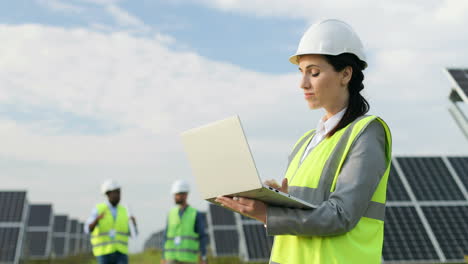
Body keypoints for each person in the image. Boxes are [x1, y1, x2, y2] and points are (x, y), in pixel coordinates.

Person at [215, 19, 392, 264]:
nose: (303, 83)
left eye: (314, 72)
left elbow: (341, 215)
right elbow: (309, 204)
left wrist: (268, 214)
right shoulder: (305, 142)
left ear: (345, 74)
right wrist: (277, 196)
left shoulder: (367, 133)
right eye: (301, 72)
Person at [85, 179, 138, 264]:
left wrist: (133, 224)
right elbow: (87, 229)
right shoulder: (99, 209)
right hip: (104, 253)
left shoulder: (124, 211)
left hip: (121, 252)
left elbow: (133, 234)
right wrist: (96, 220)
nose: (118, 195)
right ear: (108, 193)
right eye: (116, 192)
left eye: (119, 192)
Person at [161, 180, 208, 264]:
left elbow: (202, 237)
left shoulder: (195, 214)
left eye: (177, 194)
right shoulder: (171, 213)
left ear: (185, 195)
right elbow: (165, 237)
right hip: (171, 258)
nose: (175, 197)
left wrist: (203, 257)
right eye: (175, 194)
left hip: (188, 259)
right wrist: (163, 257)